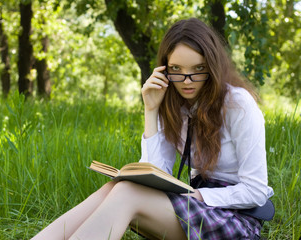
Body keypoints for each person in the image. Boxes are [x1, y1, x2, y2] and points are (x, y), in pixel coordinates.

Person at [31, 18, 274, 240]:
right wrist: (151, 110)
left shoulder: (237, 104)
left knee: (126, 193)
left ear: (212, 67)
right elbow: (156, 174)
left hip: (234, 217)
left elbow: (256, 191)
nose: (186, 81)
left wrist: (200, 197)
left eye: (197, 70)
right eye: (177, 70)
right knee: (117, 187)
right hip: (194, 204)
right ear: (165, 69)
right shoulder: (172, 103)